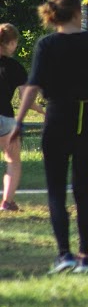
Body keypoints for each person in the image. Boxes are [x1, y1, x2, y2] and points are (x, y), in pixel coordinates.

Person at [11, 0, 88, 274]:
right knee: (82, 191)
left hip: (57, 117)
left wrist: (19, 121)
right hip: (86, 116)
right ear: (78, 12)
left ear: (53, 15)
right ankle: (84, 256)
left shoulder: (47, 44)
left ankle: (63, 254)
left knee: (56, 190)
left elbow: (32, 87)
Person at [0, 23, 43, 211]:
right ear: (10, 43)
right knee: (13, 161)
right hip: (5, 119)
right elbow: (28, 98)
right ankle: (7, 202)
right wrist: (44, 112)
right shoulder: (15, 67)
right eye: (15, 43)